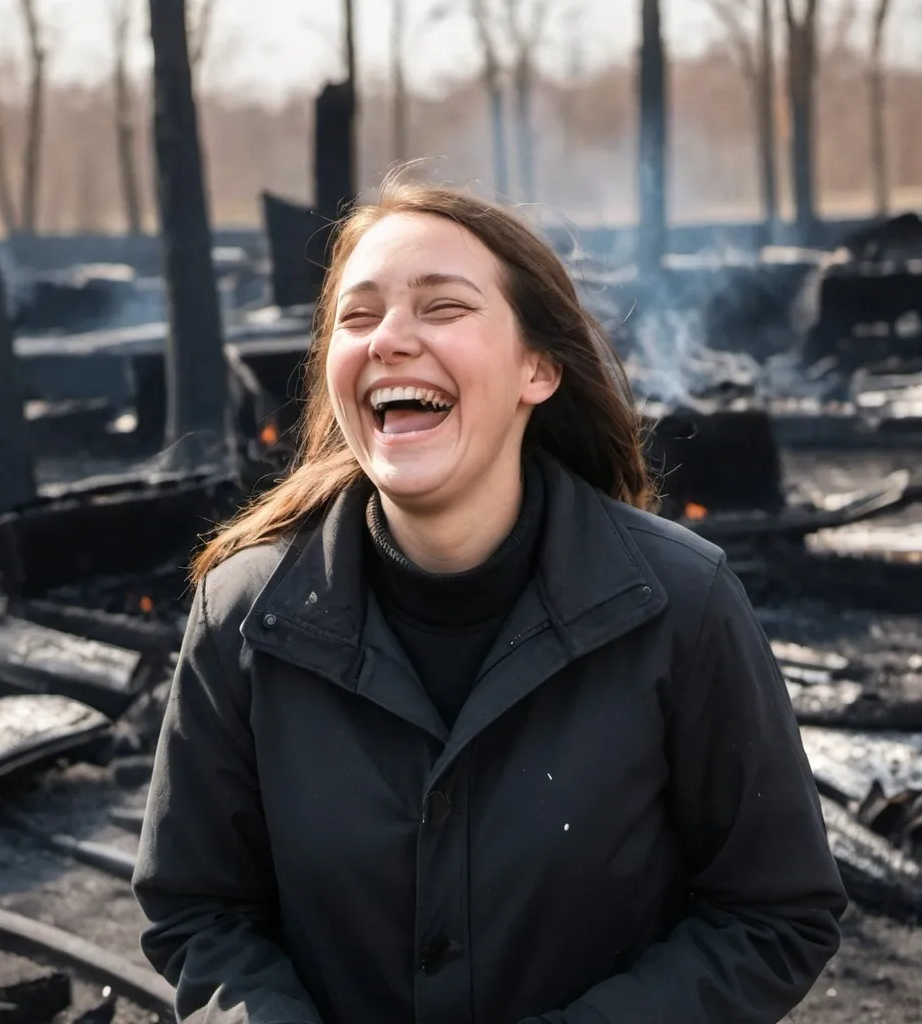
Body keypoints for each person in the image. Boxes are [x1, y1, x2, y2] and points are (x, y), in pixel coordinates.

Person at [132, 177, 846, 1024]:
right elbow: (198, 912)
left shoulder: (684, 606)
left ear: (536, 369)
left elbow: (775, 914)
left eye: (441, 308)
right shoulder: (241, 614)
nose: (390, 338)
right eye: (358, 317)